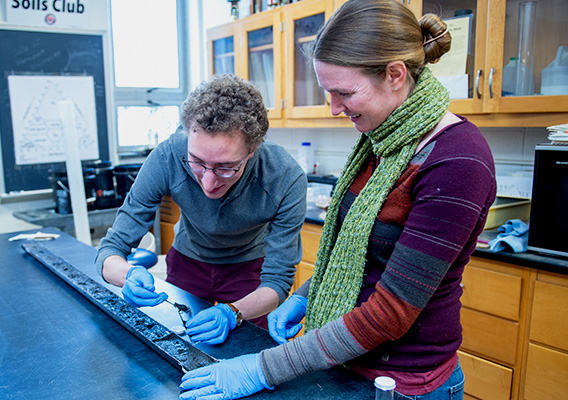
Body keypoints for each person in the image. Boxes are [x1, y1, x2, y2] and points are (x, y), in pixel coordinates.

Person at [178, 0, 496, 399]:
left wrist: (264, 367)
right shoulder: (381, 142)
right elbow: (356, 255)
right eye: (328, 92)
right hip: (344, 363)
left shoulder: (458, 161)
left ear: (395, 75)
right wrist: (304, 297)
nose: (333, 108)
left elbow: (392, 311)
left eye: (344, 92)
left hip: (404, 383)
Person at [96, 74, 307, 344]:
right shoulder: (168, 156)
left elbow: (277, 282)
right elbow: (110, 251)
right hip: (188, 262)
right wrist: (127, 275)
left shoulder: (285, 178)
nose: (208, 183)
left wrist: (234, 313)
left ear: (252, 149)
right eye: (196, 162)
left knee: (250, 348)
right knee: (176, 342)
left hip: (249, 270)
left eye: (226, 167)